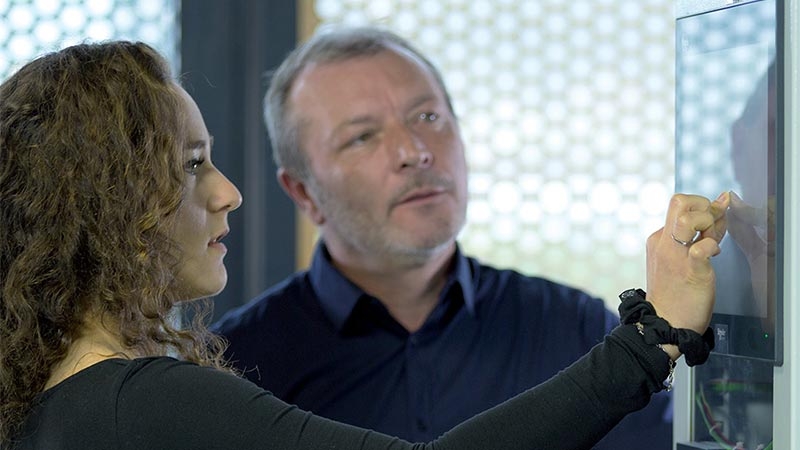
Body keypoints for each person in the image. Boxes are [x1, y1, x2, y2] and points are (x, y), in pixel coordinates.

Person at [0, 40, 729, 450]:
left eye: (428, 117)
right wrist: (650, 338)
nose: (228, 193)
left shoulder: (61, 395)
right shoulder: (155, 398)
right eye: (191, 166)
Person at [213, 26, 674, 448]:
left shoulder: (581, 334)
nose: (414, 152)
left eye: (428, 117)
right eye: (363, 137)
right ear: (303, 191)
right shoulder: (229, 371)